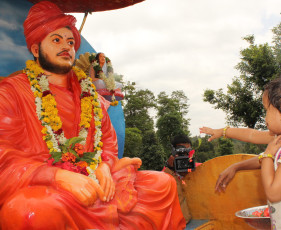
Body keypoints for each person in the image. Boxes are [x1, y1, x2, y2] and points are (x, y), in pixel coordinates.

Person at [0, 2, 185, 229]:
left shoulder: (89, 94)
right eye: (56, 40)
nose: (66, 47)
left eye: (70, 42)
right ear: (36, 49)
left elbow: (107, 142)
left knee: (162, 183)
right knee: (27, 211)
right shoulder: (11, 92)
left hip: (98, 180)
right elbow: (4, 157)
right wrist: (59, 177)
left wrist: (105, 167)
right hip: (45, 186)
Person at [201, 72, 281, 229]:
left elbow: (273, 193)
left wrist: (267, 156)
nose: (265, 117)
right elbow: (252, 135)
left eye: (266, 110)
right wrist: (223, 132)